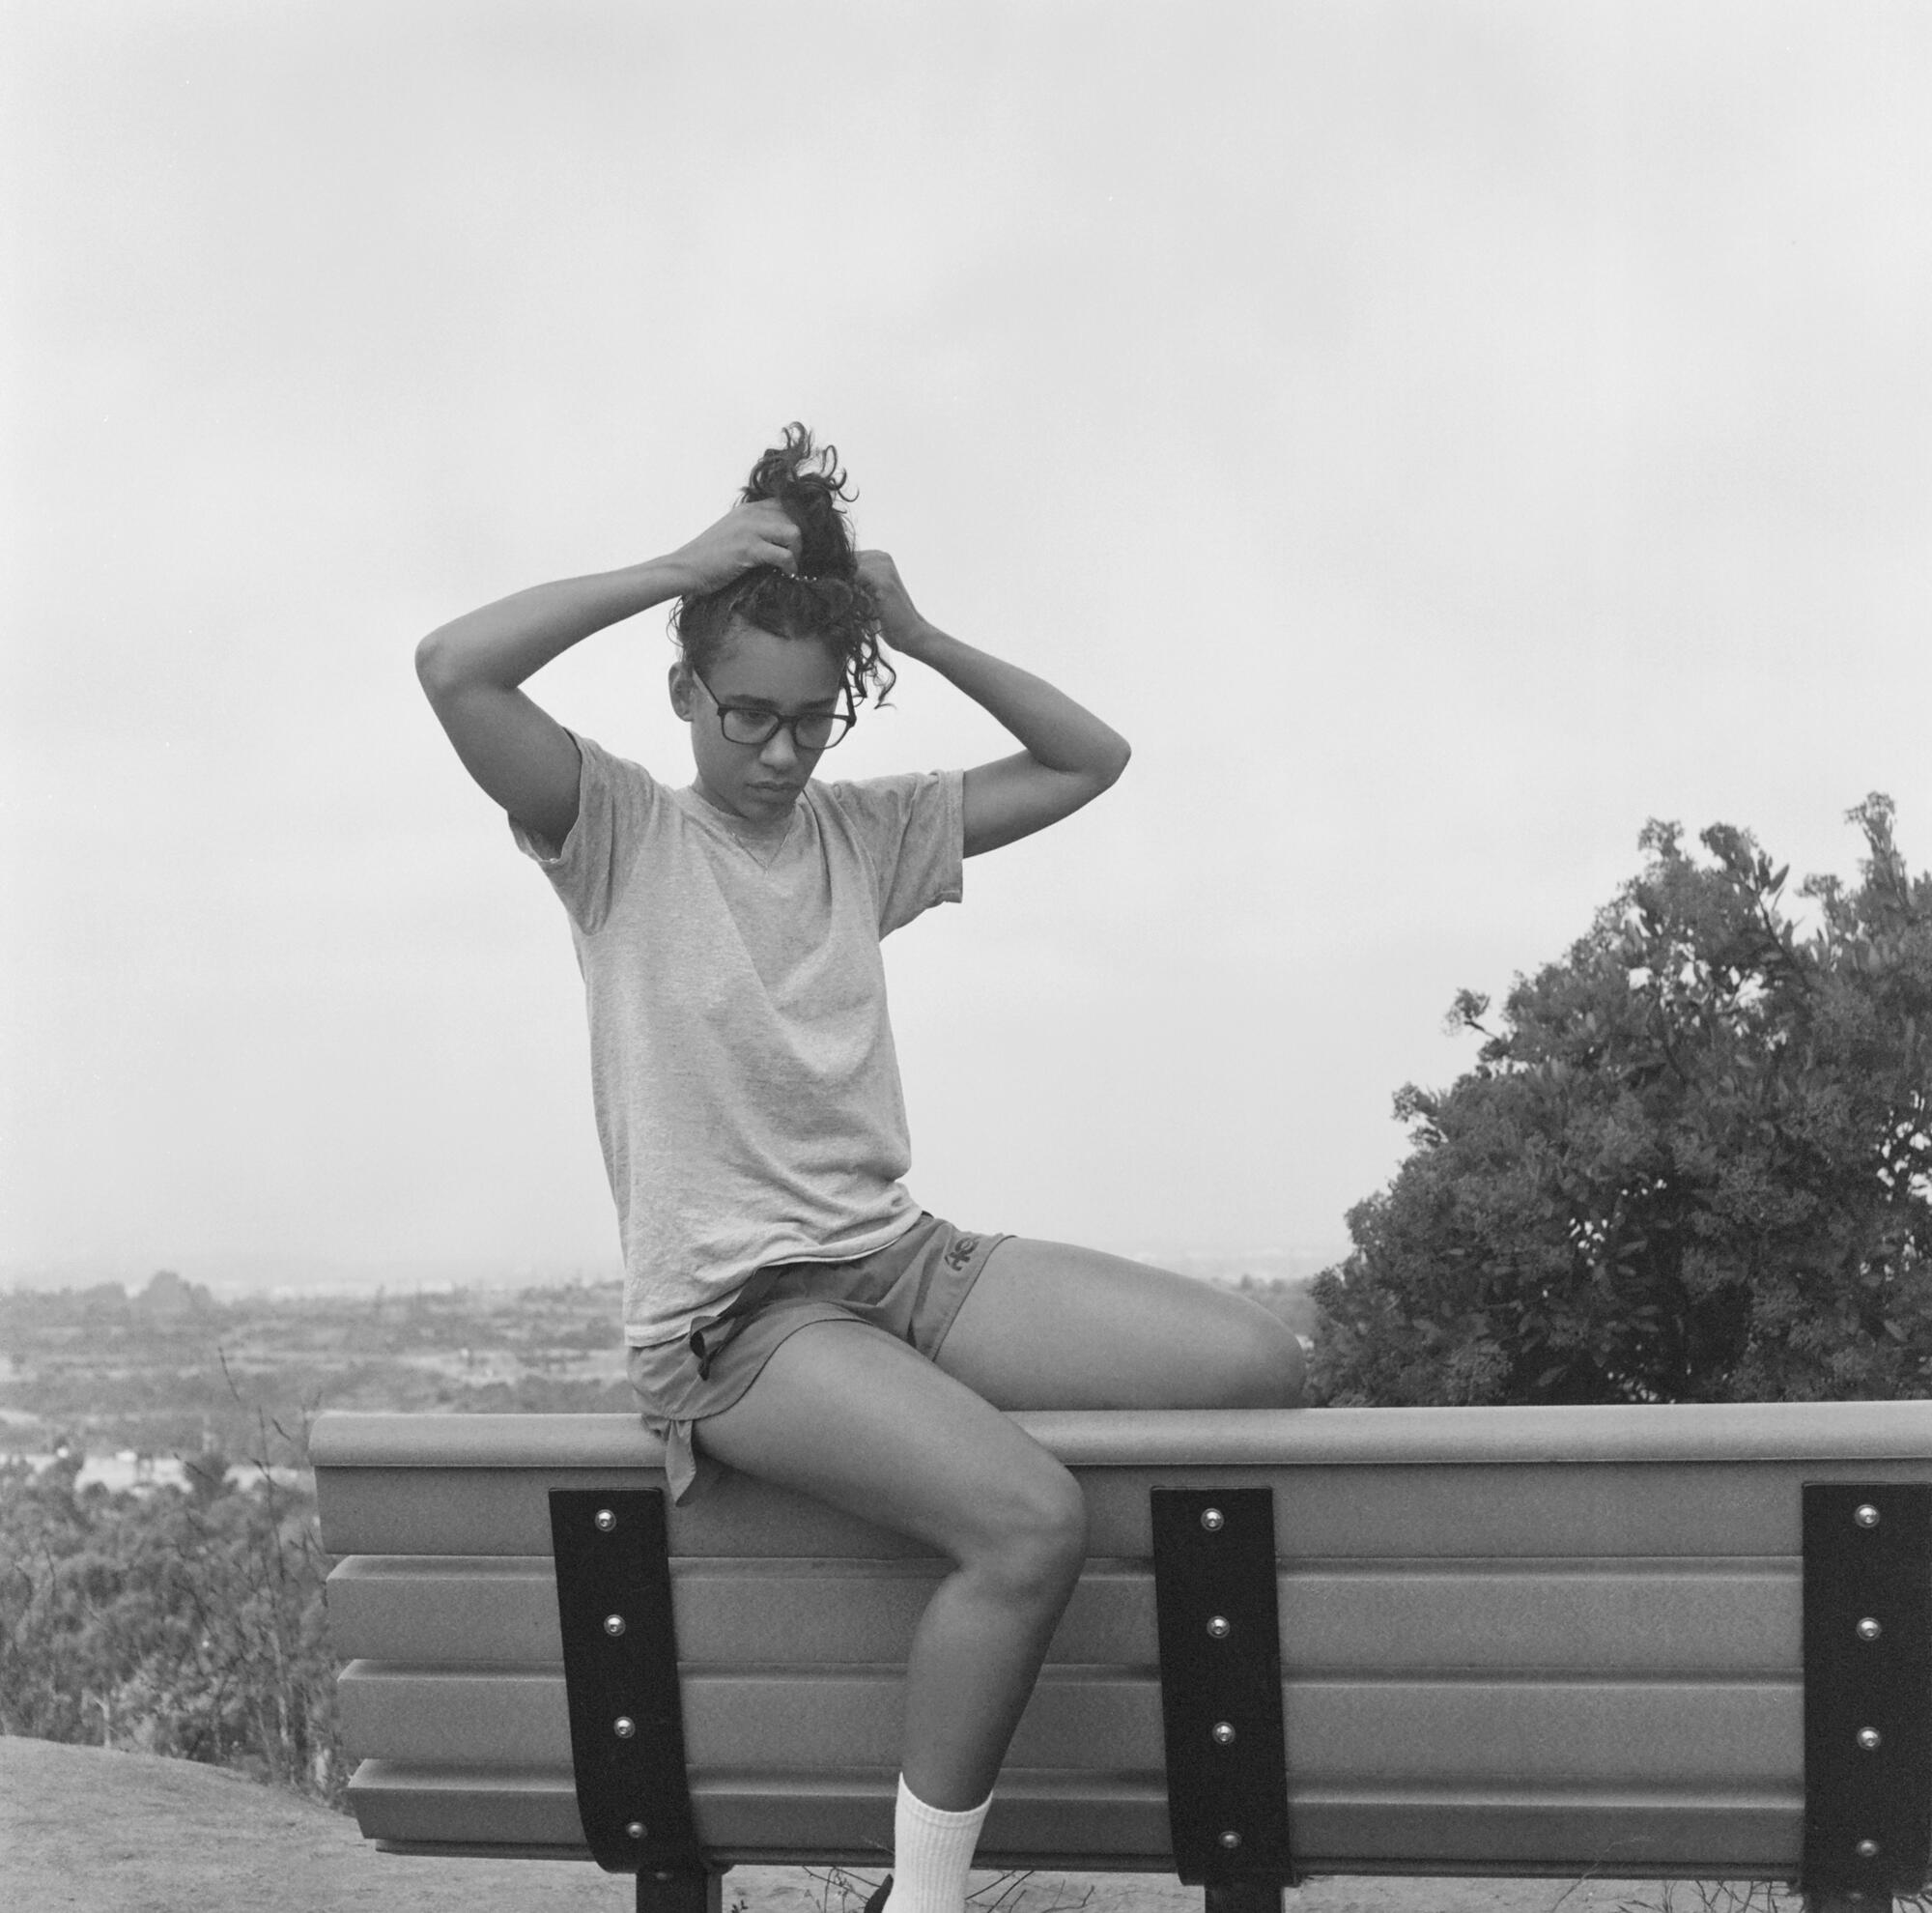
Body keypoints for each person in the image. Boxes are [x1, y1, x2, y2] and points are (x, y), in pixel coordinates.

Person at [414, 424, 1304, 1913]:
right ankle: (925, 1904)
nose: (775, 754)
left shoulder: (864, 835)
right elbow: (454, 665)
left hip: (901, 1265)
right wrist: (673, 570)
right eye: (744, 717)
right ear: (686, 691)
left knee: (1259, 1365)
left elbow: (1095, 758)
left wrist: (923, 631)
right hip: (740, 1323)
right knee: (1028, 1521)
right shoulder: (617, 831)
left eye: (811, 722)